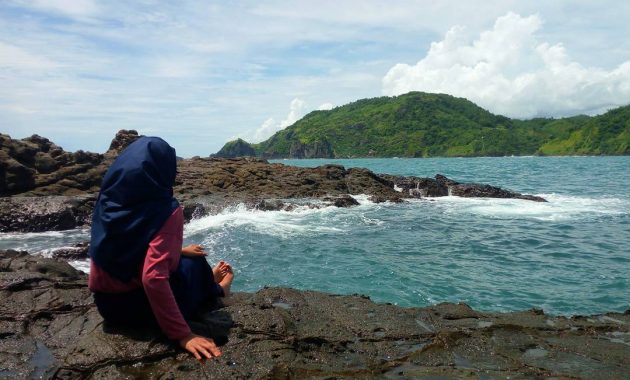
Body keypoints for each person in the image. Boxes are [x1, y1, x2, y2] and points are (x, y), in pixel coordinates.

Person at [88, 136, 234, 361]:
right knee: (195, 264)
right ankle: (219, 290)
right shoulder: (165, 209)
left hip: (107, 306)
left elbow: (121, 251)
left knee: (187, 256)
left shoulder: (108, 200)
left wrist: (177, 251)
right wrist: (183, 335)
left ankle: (208, 279)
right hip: (141, 309)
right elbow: (153, 278)